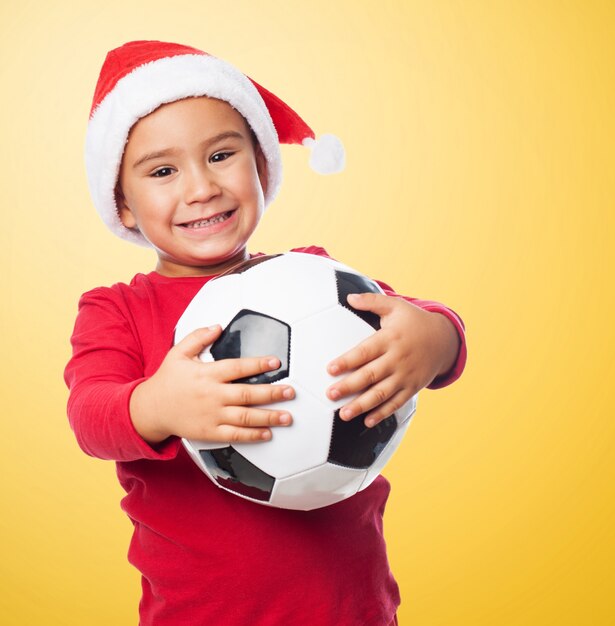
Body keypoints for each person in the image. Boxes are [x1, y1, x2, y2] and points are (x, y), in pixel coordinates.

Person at [65, 40, 467, 626]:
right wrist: (158, 405)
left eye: (222, 156)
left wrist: (437, 338)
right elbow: (89, 415)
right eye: (163, 171)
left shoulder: (312, 278)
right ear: (122, 202)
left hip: (351, 610)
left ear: (260, 164)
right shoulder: (117, 310)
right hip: (197, 615)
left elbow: (403, 315)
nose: (200, 187)